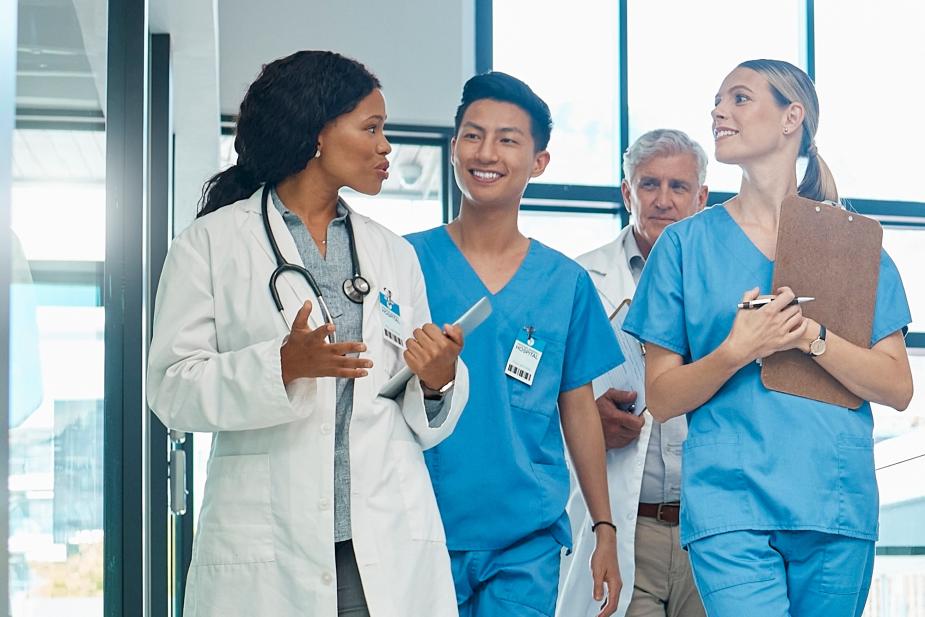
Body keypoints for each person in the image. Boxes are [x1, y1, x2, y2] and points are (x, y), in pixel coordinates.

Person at [146, 50, 470, 617]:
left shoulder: (392, 254)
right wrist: (281, 365)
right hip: (270, 550)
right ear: (317, 133)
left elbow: (406, 401)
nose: (385, 146)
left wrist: (437, 379)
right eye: (371, 128)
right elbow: (172, 389)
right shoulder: (211, 244)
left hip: (382, 547)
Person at [623, 59, 913, 617]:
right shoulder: (683, 248)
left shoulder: (852, 244)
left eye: (738, 98)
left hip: (833, 502)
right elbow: (660, 397)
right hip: (730, 507)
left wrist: (809, 336)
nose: (718, 111)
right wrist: (740, 349)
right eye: (716, 100)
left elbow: (898, 386)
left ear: (791, 118)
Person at [406, 71, 623, 617]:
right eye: (473, 136)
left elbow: (578, 410)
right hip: (420, 528)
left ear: (539, 161)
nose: (487, 152)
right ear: (454, 147)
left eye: (508, 139)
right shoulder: (403, 263)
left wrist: (604, 527)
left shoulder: (565, 283)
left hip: (525, 538)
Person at [559, 129, 708, 617]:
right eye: (648, 185)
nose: (663, 200)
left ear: (702, 198)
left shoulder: (729, 287)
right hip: (625, 524)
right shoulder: (579, 280)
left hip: (706, 531)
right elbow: (537, 403)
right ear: (627, 193)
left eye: (678, 187)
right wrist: (581, 422)